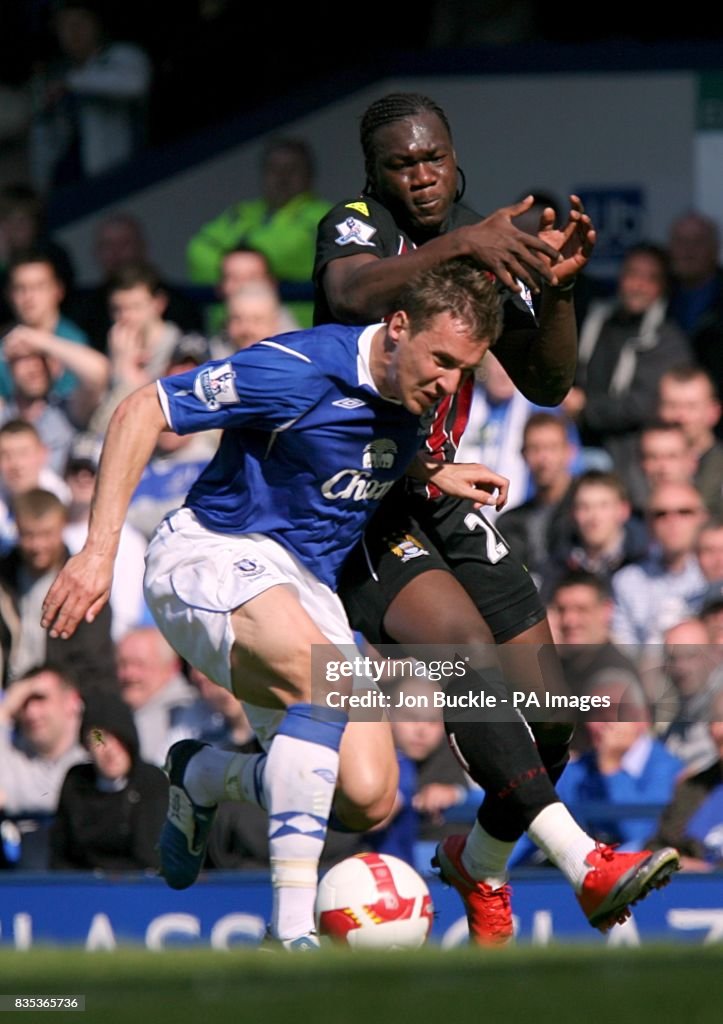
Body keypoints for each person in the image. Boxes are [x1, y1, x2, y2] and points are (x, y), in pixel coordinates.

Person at [41, 259, 506, 949]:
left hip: (303, 591)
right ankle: (290, 933)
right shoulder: (294, 367)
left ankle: (203, 774)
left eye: (462, 368)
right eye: (439, 359)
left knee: (369, 795)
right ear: (397, 327)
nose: (446, 380)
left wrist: (431, 468)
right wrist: (99, 548)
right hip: (212, 555)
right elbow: (144, 407)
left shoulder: (417, 395)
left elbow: (350, 438)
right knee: (319, 682)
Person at [313, 91, 677, 942]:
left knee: (549, 715)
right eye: (403, 162)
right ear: (375, 171)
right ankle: (587, 864)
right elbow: (346, 292)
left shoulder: (485, 235)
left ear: (453, 152)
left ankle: (476, 866)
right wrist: (463, 247)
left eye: (433, 156)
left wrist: (555, 292)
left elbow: (547, 384)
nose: (423, 174)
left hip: (442, 489)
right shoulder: (359, 226)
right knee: (466, 656)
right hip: (361, 497)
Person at [186, 137, 331, 328]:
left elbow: (285, 252)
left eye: (292, 169)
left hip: (299, 333)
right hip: (233, 331)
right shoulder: (241, 212)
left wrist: (231, 269)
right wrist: (249, 270)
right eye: (274, 169)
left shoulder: (324, 215)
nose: (282, 177)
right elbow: (197, 251)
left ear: (309, 175)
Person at [49, 688, 168, 871]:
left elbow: (150, 857)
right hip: (82, 890)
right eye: (99, 739)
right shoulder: (77, 783)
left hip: (135, 890)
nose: (110, 750)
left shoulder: (151, 782)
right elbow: (62, 853)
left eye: (118, 738)